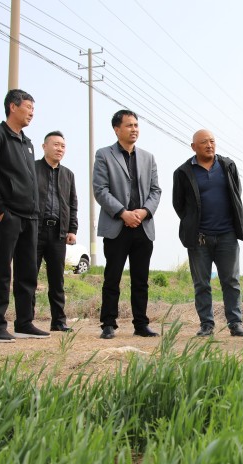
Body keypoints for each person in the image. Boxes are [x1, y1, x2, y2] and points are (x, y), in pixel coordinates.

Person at [0, 89, 48, 342]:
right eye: (28, 107)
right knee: (1, 271)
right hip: (8, 216)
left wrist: (35, 212)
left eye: (33, 109)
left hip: (30, 217)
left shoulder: (27, 143)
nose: (32, 113)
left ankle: (24, 323)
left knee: (28, 272)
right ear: (12, 107)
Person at [93, 110, 162, 339]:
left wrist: (144, 211)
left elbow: (155, 190)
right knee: (112, 278)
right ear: (117, 129)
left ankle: (141, 324)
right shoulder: (104, 155)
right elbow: (100, 190)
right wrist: (123, 213)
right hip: (117, 226)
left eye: (136, 125)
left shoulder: (148, 157)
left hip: (143, 226)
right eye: (129, 125)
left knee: (140, 280)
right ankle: (108, 323)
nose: (134, 129)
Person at [173, 129, 243, 337]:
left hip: (227, 235)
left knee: (231, 281)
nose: (209, 145)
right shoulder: (183, 172)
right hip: (200, 238)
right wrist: (193, 224)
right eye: (204, 142)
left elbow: (236, 193)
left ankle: (235, 323)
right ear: (193, 147)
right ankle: (207, 324)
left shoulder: (228, 165)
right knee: (202, 284)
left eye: (212, 141)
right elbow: (179, 204)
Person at [35, 131, 78, 333]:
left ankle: (58, 321)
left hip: (58, 233)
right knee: (29, 277)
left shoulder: (68, 174)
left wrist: (72, 229)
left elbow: (72, 204)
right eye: (55, 144)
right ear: (44, 146)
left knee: (57, 280)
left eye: (63, 146)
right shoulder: (33, 168)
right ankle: (26, 320)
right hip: (36, 230)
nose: (59, 149)